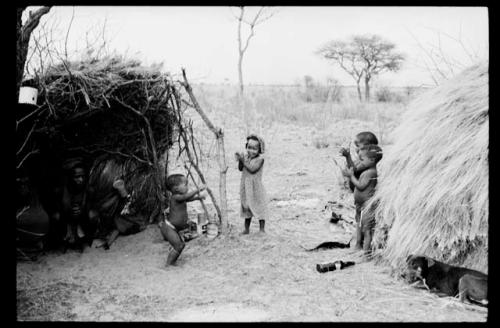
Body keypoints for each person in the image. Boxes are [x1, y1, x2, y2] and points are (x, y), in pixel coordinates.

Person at [159, 174, 206, 266]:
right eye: (185, 185)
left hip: (173, 229)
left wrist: (197, 198)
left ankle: (171, 260)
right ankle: (168, 264)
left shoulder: (180, 198)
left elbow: (187, 199)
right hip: (169, 228)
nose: (187, 187)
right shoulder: (176, 197)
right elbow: (186, 197)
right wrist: (198, 190)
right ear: (176, 189)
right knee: (179, 246)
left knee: (180, 245)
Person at [344, 144, 383, 253]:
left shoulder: (371, 173)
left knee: (367, 229)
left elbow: (361, 186)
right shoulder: (366, 169)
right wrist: (347, 156)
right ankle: (358, 245)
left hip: (367, 204)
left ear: (372, 160)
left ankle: (366, 252)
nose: (359, 162)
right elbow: (353, 168)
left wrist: (351, 176)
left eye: (361, 159)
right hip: (360, 203)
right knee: (358, 223)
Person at [235, 134, 268, 234]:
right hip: (246, 186)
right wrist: (240, 160)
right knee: (246, 206)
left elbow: (252, 170)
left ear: (260, 149)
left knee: (259, 206)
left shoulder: (260, 159)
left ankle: (262, 229)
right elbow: (241, 168)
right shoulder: (246, 157)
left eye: (254, 149)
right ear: (246, 147)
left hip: (256, 188)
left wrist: (243, 161)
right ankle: (246, 229)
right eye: (249, 148)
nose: (251, 151)